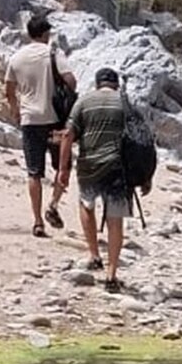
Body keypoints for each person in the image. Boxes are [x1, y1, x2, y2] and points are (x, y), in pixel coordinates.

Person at [58, 68, 135, 293]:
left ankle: (94, 255)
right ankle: (111, 275)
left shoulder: (84, 101)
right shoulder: (125, 103)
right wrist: (144, 176)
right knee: (115, 219)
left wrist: (63, 169)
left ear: (97, 83)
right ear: (116, 84)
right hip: (118, 169)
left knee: (86, 205)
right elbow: (141, 140)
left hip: (88, 167)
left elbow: (68, 135)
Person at [4, 14, 77, 237]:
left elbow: (8, 89)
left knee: (34, 171)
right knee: (63, 166)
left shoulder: (16, 58)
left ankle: (37, 222)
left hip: (30, 120)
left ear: (29, 34)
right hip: (55, 120)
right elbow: (71, 80)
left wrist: (16, 110)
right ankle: (53, 205)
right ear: (45, 34)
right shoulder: (53, 53)